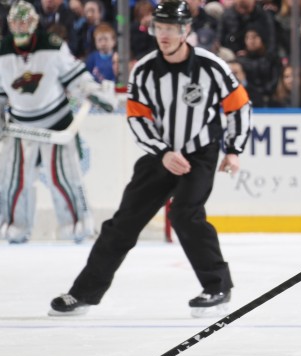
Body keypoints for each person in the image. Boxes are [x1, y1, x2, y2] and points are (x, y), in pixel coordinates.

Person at [48, 0, 252, 318]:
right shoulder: (144, 70)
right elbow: (137, 118)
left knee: (186, 215)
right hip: (160, 154)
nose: (165, 35)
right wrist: (163, 152)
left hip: (200, 155)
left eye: (172, 28)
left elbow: (238, 106)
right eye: (160, 27)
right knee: (122, 225)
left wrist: (234, 149)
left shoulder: (211, 66)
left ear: (186, 30)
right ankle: (83, 294)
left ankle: (217, 287)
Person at [0, 0, 116, 244]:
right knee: (14, 180)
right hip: (21, 125)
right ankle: (15, 227)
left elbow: (75, 76)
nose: (20, 29)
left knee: (63, 177)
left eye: (25, 23)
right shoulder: (2, 51)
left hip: (56, 122)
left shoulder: (52, 46)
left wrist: (94, 92)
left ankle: (77, 226)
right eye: (16, 24)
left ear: (34, 23)